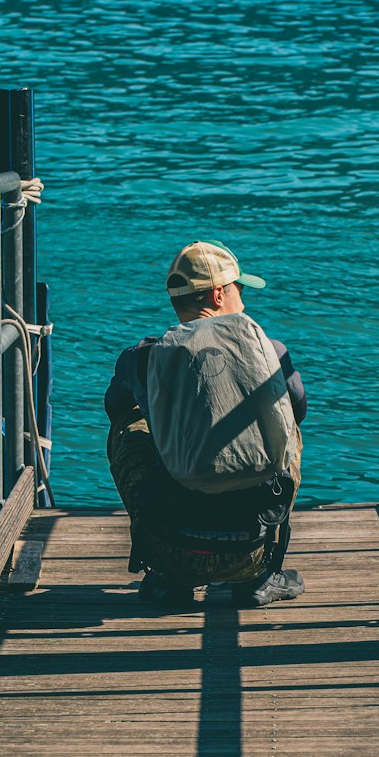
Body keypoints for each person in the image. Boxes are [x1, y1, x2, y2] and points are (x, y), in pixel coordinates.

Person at [105, 239, 308, 608]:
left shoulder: (142, 358)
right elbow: (300, 407)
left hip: (174, 548)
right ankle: (262, 576)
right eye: (239, 288)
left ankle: (167, 576)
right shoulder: (271, 351)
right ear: (218, 294)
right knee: (287, 423)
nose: (243, 299)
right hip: (251, 546)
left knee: (128, 426)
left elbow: (114, 407)